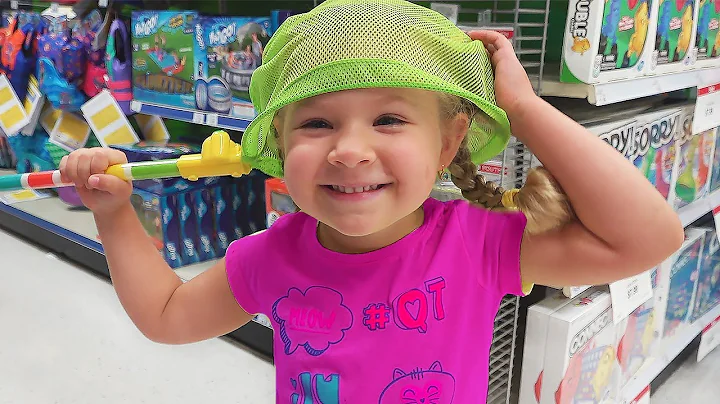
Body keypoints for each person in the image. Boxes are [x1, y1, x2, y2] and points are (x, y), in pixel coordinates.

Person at [59, 1, 682, 402]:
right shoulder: (271, 257)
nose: (350, 151)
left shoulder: (479, 244)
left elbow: (647, 240)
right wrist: (114, 213)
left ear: (449, 143)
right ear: (279, 140)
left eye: (388, 119)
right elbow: (167, 315)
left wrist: (524, 110)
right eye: (317, 124)